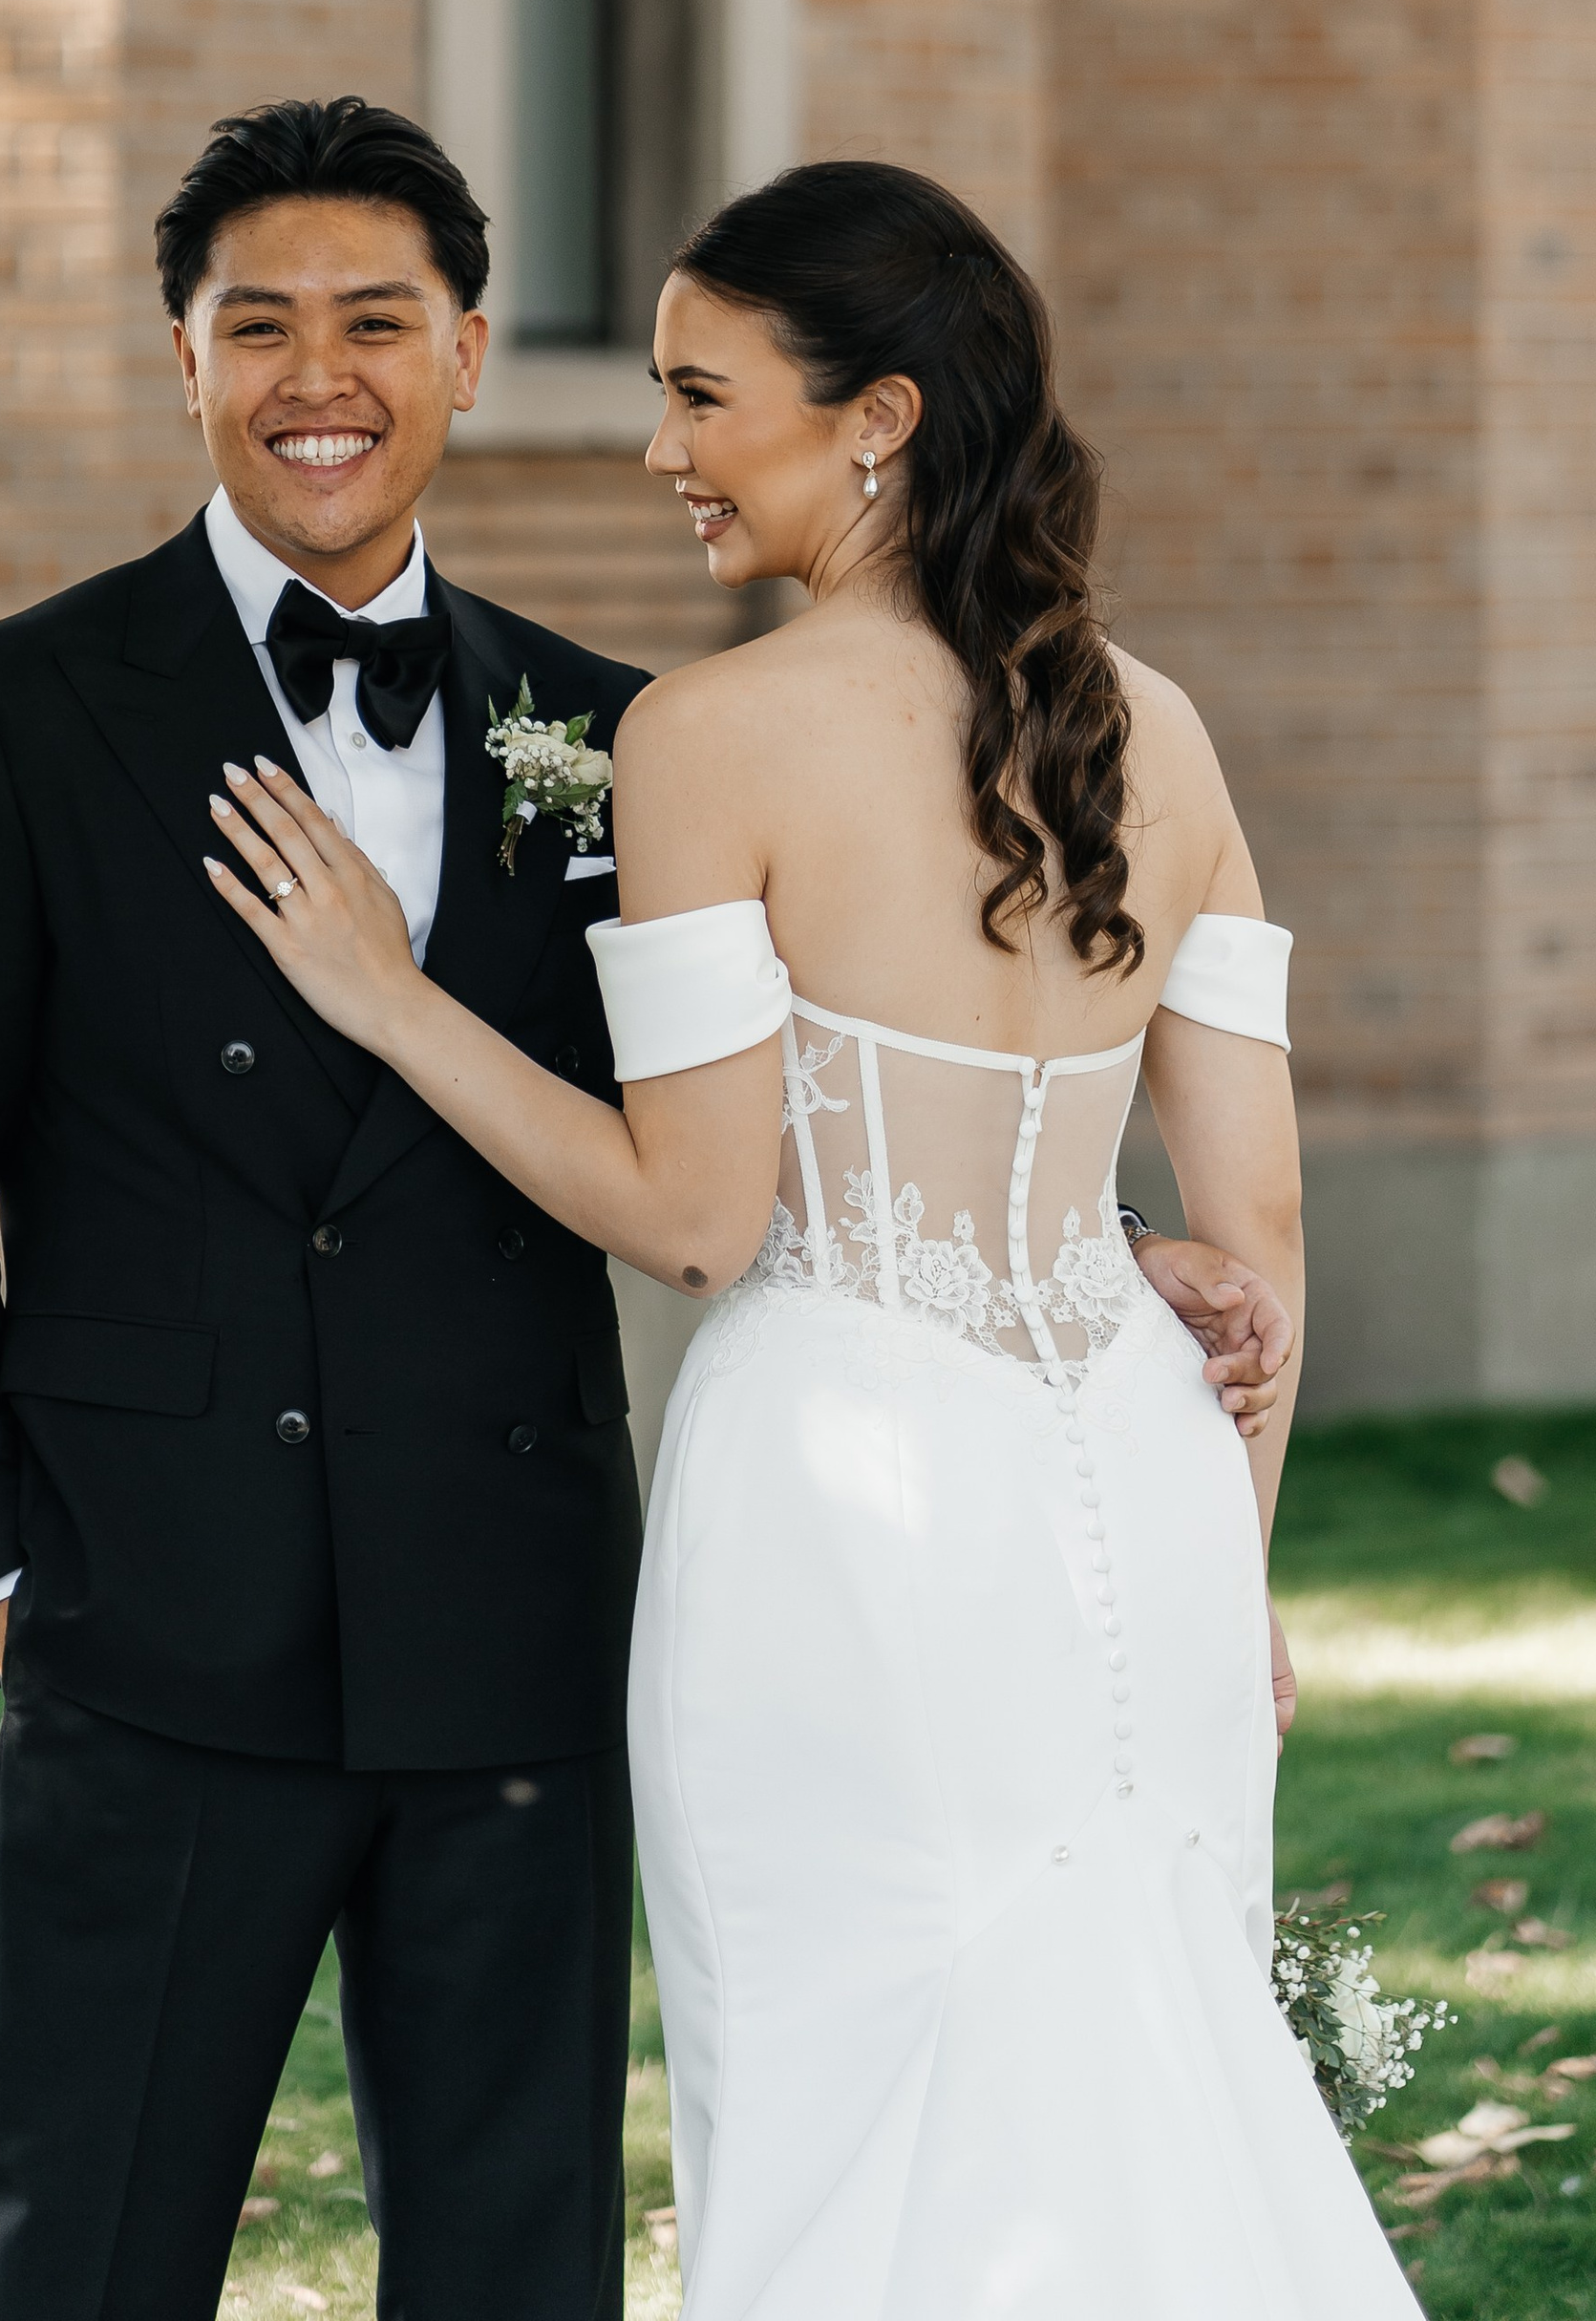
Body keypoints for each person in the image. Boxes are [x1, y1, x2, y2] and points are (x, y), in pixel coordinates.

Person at [0, 98, 1296, 2321]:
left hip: (513, 1628)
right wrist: (2, 1565)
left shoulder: (618, 730)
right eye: (258, 326)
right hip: (151, 1618)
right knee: (88, 2247)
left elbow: (758, 1142)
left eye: (376, 321)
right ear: (183, 357)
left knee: (519, 2268)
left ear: (470, 352)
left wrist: (1085, 1241)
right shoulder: (16, 710)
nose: (320, 375)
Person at [204, 155, 1416, 2318]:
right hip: (1135, 1505)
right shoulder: (1170, 732)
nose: (659, 448)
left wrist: (385, 999)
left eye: (700, 396)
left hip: (839, 1509)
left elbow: (691, 1216)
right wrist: (1227, 1570)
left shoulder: (711, 734)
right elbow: (1257, 1241)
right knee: (1153, 2071)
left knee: (843, 2102)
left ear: (875, 419)